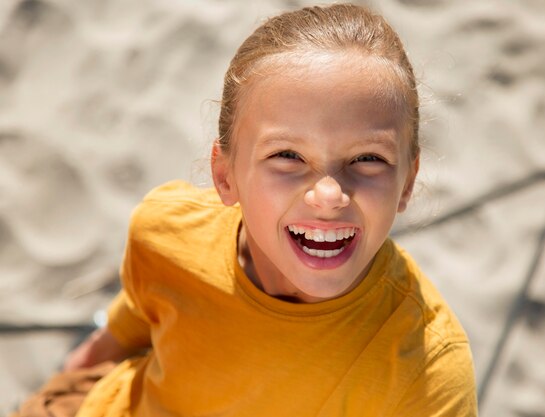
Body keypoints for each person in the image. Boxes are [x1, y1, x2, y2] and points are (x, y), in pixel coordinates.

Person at [14, 3, 477, 417]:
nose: (330, 195)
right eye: (288, 156)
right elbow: (113, 344)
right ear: (225, 175)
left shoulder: (428, 369)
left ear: (407, 182)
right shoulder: (167, 231)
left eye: (368, 159)